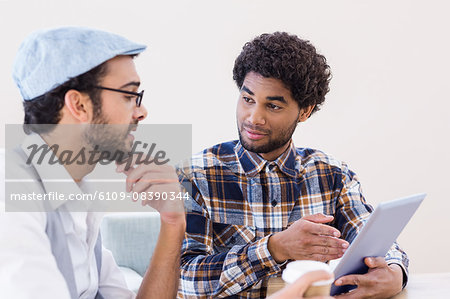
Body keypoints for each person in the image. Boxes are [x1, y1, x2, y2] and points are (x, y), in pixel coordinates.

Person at [177, 32, 408, 298]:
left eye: (273, 106)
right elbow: (183, 280)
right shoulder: (195, 176)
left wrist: (395, 271)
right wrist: (274, 248)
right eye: (248, 99)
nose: (254, 118)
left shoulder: (332, 175)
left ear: (305, 111)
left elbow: (374, 240)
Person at [0, 27, 185, 299]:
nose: (142, 111)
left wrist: (173, 222)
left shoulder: (80, 197)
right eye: (128, 95)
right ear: (79, 105)